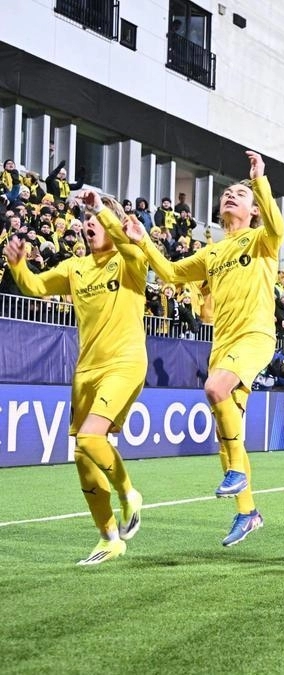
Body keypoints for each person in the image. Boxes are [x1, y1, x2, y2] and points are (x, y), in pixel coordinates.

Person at [121, 150, 283, 547]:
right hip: (222, 344)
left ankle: (238, 476)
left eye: (239, 195)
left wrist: (259, 180)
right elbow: (171, 273)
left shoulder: (262, 240)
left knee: (214, 388)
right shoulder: (212, 252)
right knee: (228, 438)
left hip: (255, 336)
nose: (230, 196)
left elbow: (277, 225)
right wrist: (143, 241)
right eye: (227, 193)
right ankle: (248, 513)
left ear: (254, 210)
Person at [5, 190, 146, 564]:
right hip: (86, 371)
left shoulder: (129, 260)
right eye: (86, 221)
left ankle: (129, 493)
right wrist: (18, 266)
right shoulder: (74, 268)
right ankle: (109, 539)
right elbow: (36, 287)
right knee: (83, 454)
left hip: (125, 362)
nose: (88, 225)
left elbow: (133, 251)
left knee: (90, 436)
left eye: (95, 220)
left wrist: (104, 210)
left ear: (112, 225)